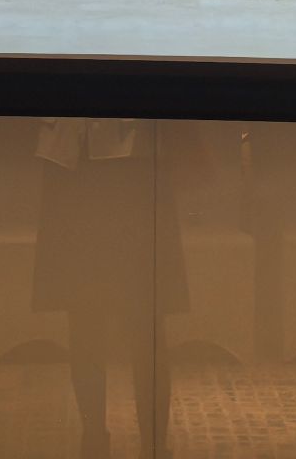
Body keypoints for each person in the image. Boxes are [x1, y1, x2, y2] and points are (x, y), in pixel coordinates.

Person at [31, 119, 190, 459]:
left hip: (132, 163)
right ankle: (96, 441)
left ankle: (151, 446)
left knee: (144, 318)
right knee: (87, 316)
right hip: (75, 160)